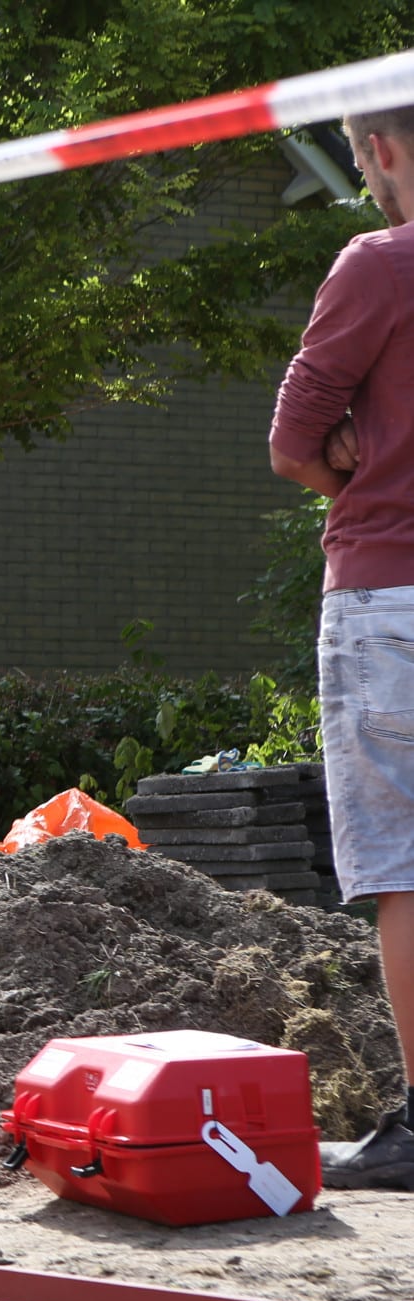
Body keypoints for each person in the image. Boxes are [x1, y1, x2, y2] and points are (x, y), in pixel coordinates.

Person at [271, 102, 414, 1192]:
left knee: (407, 872)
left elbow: (290, 441)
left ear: (380, 149)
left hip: (390, 592)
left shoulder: (377, 263)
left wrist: (344, 472)